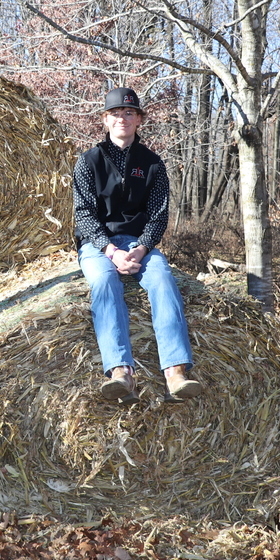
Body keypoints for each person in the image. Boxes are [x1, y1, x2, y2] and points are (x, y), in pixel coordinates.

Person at [73, 87, 201, 403]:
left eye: (129, 113)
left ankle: (175, 372)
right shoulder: (88, 161)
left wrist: (141, 249)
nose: (122, 118)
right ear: (105, 119)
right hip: (97, 244)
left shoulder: (153, 164)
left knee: (161, 277)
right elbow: (84, 215)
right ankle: (120, 372)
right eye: (116, 113)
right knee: (104, 280)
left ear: (139, 119)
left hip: (139, 243)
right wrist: (111, 251)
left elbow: (158, 216)